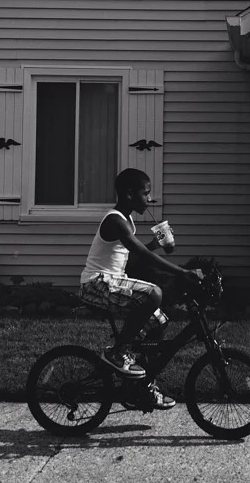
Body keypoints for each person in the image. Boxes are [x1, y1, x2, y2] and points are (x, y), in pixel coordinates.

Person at [79, 167, 200, 409]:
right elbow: (140, 253)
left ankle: (143, 388)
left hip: (112, 281)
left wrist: (155, 244)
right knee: (154, 293)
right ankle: (117, 351)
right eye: (145, 194)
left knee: (160, 323)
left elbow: (132, 260)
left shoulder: (128, 221)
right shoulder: (115, 220)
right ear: (128, 194)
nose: (149, 199)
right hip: (97, 284)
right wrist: (182, 272)